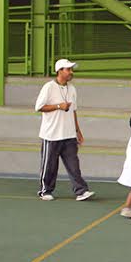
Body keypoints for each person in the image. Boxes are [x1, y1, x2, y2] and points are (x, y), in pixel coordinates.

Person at [34, 58, 95, 202]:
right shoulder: (48, 87)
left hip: (69, 135)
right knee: (49, 165)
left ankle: (81, 191)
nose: (71, 72)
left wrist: (78, 131)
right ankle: (45, 190)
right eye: (68, 69)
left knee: (74, 165)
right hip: (51, 135)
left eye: (71, 69)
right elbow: (39, 107)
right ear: (59, 71)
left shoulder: (72, 89)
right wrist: (58, 106)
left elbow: (73, 111)